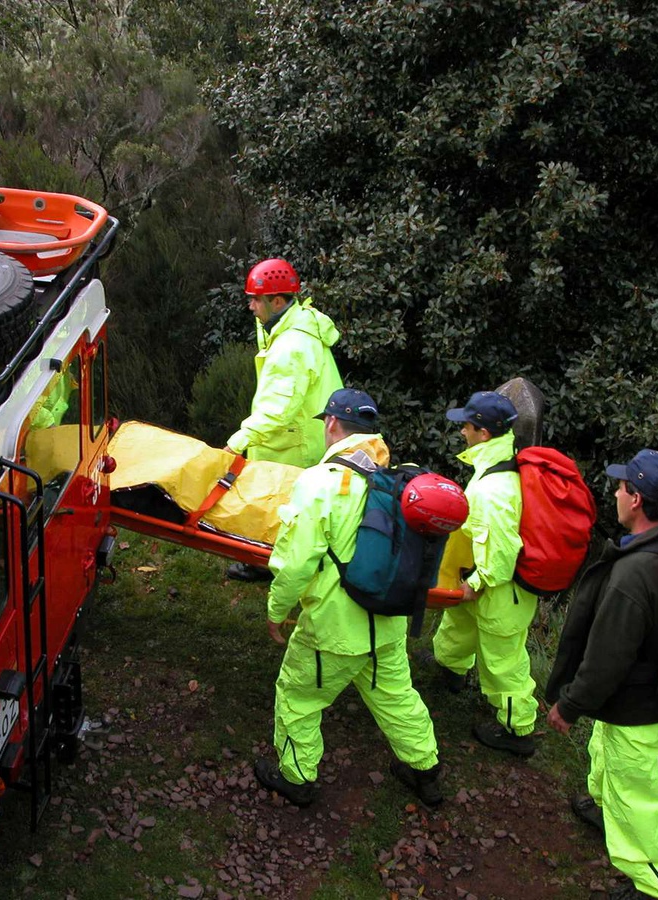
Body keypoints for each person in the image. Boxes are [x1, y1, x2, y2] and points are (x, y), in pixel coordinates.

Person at [252, 388, 443, 809]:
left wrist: (276, 611)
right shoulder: (397, 480)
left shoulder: (320, 483)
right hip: (388, 622)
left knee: (298, 696)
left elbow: (296, 562)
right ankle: (425, 770)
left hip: (333, 631)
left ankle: (296, 778)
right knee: (396, 696)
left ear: (332, 424)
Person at [545, 449, 658, 900]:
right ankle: (602, 806)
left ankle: (653, 884)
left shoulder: (633, 575)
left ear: (638, 501)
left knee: (635, 788)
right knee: (605, 747)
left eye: (622, 486)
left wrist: (569, 705)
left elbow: (607, 658)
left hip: (640, 703)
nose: (614, 492)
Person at [431, 390, 539, 756]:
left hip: (499, 590)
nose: (462, 431)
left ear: (485, 433)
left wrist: (475, 584)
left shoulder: (494, 489)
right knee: (458, 625)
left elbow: (503, 553)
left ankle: (518, 731)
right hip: (479, 579)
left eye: (467, 425)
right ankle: (451, 670)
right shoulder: (496, 465)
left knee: (503, 664)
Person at [223, 258, 343, 582]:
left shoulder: (293, 345)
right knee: (279, 502)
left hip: (295, 438)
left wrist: (237, 442)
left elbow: (280, 407)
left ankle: (276, 567)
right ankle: (269, 560)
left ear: (277, 301)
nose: (250, 307)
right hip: (297, 431)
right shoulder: (288, 324)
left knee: (286, 504)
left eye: (255, 300)